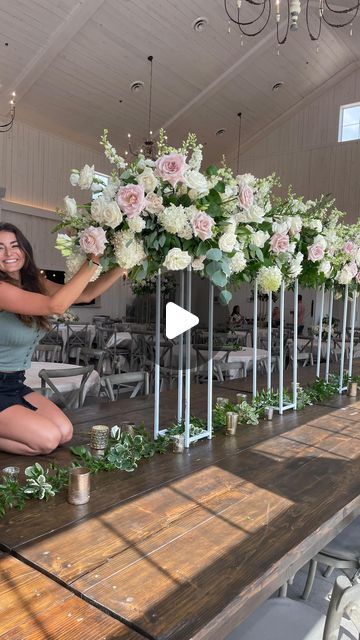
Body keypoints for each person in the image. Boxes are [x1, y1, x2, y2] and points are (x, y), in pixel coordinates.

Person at [0, 222, 124, 456]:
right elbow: (55, 305)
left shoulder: (34, 284)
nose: (9, 253)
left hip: (14, 384)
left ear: (24, 249)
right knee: (47, 441)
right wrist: (93, 257)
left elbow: (85, 294)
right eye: (0, 248)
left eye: (14, 245)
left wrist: (125, 265)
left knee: (64, 433)